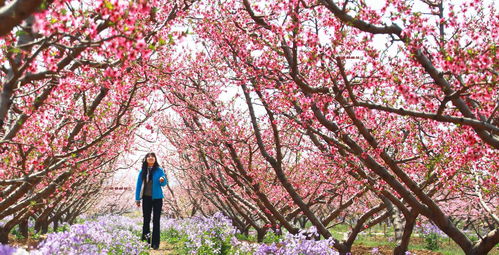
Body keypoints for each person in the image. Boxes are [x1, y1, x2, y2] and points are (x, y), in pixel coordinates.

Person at [135, 152, 167, 250]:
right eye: (148, 156)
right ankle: (146, 242)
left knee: (156, 220)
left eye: (152, 156)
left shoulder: (159, 170)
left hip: (157, 198)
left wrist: (162, 179)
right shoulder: (142, 171)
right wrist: (137, 198)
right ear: (146, 159)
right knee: (146, 220)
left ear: (155, 159)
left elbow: (164, 183)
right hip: (146, 198)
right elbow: (138, 185)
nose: (150, 157)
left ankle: (155, 244)